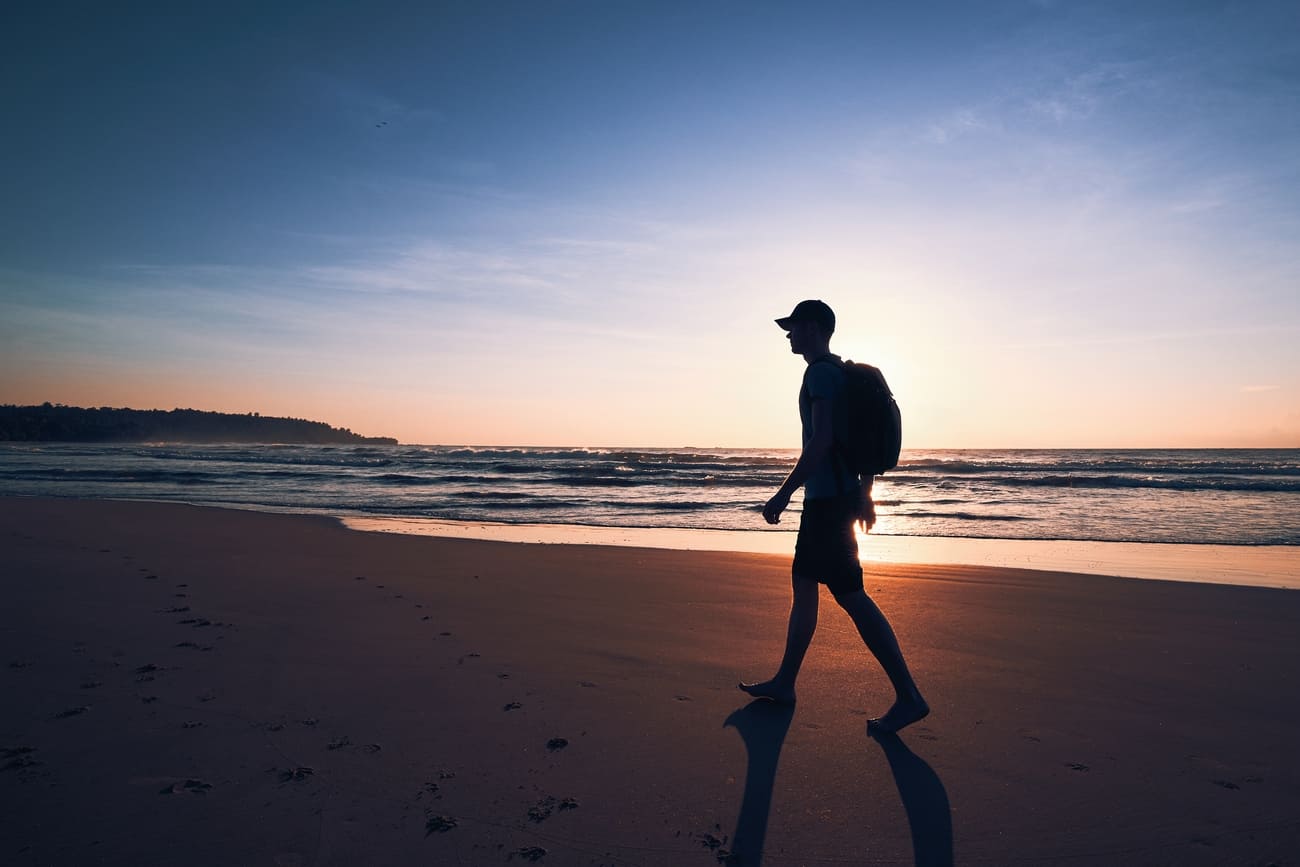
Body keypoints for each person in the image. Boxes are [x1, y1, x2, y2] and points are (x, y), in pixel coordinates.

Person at [740, 299, 929, 734]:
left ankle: (909, 696)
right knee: (809, 585)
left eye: (794, 327)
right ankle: (786, 681)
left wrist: (783, 493)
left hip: (826, 504)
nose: (789, 335)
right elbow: (855, 444)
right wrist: (865, 494)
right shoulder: (841, 372)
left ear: (814, 328)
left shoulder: (821, 373)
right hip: (838, 498)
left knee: (850, 596)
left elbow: (822, 441)